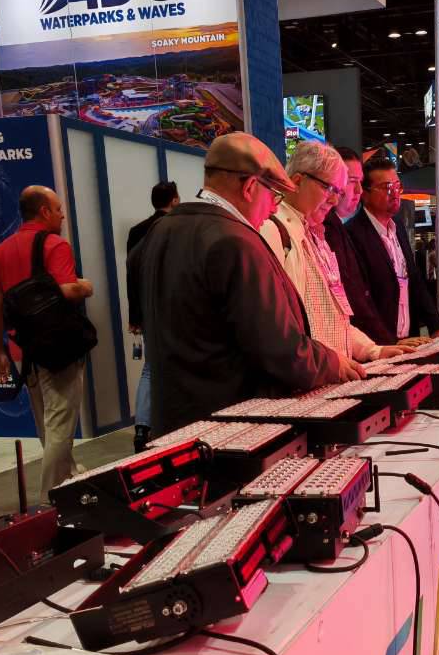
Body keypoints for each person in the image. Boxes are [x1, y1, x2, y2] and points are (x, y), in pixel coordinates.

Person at [138, 132, 357, 434]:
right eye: (273, 195)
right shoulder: (236, 241)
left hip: (175, 421)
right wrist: (332, 363)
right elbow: (277, 347)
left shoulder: (163, 229)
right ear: (251, 187)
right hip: (230, 426)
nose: (273, 209)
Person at [0, 186, 95, 498]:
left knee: (47, 423)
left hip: (23, 348)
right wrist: (86, 286)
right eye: (58, 209)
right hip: (58, 347)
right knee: (60, 422)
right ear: (44, 212)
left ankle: (67, 476)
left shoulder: (1, 251)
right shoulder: (55, 245)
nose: (62, 216)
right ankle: (51, 499)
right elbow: (67, 290)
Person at [260, 142, 409, 363]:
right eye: (328, 188)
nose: (334, 199)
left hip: (329, 371)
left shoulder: (315, 233)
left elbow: (336, 318)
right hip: (309, 374)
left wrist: (373, 350)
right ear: (298, 181)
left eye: (338, 191)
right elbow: (279, 329)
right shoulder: (273, 231)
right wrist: (330, 364)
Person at [345, 157, 439, 344]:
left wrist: (436, 325)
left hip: (409, 338)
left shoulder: (397, 226)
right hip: (378, 344)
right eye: (387, 188)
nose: (395, 194)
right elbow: (360, 302)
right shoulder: (352, 234)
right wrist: (389, 342)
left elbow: (414, 279)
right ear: (365, 194)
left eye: (397, 186)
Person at [126, 181, 179, 451]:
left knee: (150, 367)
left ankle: (142, 428)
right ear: (175, 200)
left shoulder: (137, 231)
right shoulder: (177, 229)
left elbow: (131, 275)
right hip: (174, 310)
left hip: (147, 310)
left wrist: (134, 315)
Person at [323, 146, 394, 345]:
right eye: (351, 181)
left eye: (359, 182)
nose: (359, 191)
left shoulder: (335, 227)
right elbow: (352, 299)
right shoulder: (328, 228)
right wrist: (384, 344)